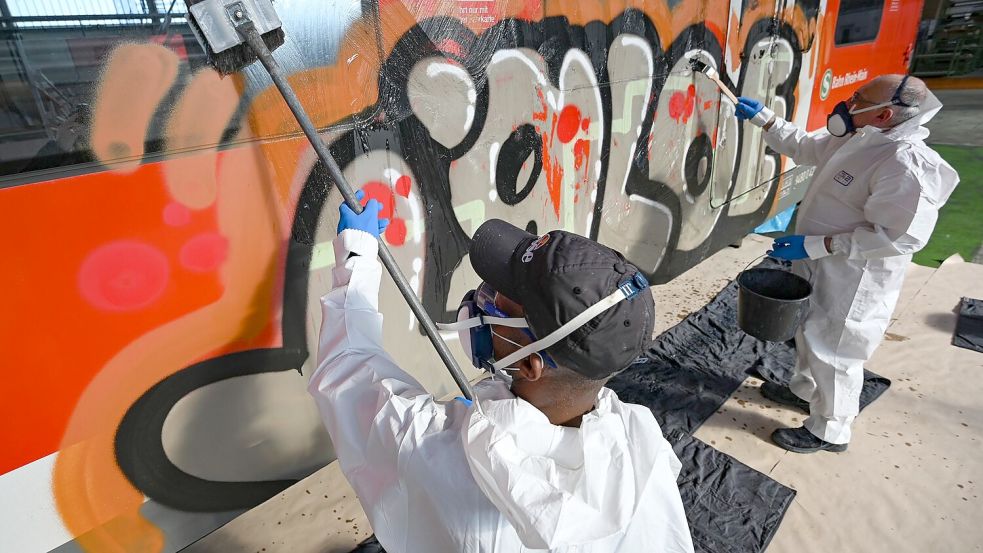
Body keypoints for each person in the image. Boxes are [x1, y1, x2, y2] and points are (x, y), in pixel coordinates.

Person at [308, 194, 695, 552]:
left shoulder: (433, 450)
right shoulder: (642, 456)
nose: (482, 298)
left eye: (495, 301)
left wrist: (356, 257)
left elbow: (347, 371)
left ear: (531, 364)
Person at [735, 74, 959, 453]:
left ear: (885, 113)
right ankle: (806, 392)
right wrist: (767, 120)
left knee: (836, 349)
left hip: (855, 275)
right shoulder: (860, 135)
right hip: (819, 259)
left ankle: (830, 429)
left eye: (858, 99)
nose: (849, 103)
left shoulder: (903, 164)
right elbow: (807, 147)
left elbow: (899, 237)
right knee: (807, 331)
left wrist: (819, 245)